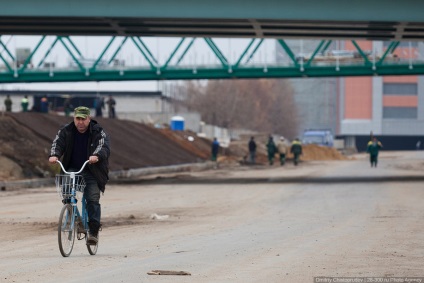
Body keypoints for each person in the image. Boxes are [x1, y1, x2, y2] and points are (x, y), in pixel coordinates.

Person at [48, 106, 110, 244]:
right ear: (74, 119)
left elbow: (103, 146)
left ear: (89, 119)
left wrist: (97, 155)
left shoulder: (98, 131)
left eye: (83, 119)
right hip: (73, 168)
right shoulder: (66, 130)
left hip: (92, 170)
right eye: (78, 119)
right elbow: (57, 143)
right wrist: (54, 155)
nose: (80, 122)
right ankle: (75, 219)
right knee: (66, 192)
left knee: (92, 199)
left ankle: (93, 232)